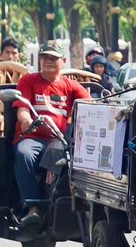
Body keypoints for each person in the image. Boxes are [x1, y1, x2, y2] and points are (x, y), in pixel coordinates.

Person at [11, 42, 91, 231]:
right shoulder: (28, 80)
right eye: (44, 57)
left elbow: (90, 105)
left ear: (63, 61)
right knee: (24, 154)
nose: (48, 61)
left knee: (67, 155)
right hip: (31, 138)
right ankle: (33, 208)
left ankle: (70, 205)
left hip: (58, 140)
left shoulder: (70, 86)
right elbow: (22, 109)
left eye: (53, 58)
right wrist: (26, 120)